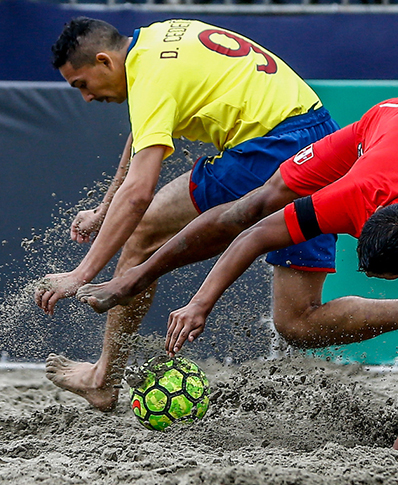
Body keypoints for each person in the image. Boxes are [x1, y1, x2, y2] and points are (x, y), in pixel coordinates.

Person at [81, 98, 398, 450]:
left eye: (395, 277)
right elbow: (255, 234)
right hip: (388, 124)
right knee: (255, 203)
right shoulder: (353, 195)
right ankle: (135, 277)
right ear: (365, 220)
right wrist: (200, 302)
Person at [33, 17, 340, 411]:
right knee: (298, 321)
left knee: (141, 232)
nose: (87, 99)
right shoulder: (160, 38)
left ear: (104, 61)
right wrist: (104, 207)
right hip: (319, 139)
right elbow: (144, 132)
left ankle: (102, 380)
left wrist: (81, 274)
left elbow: (139, 195)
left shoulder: (149, 73)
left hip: (270, 149)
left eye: (83, 85)